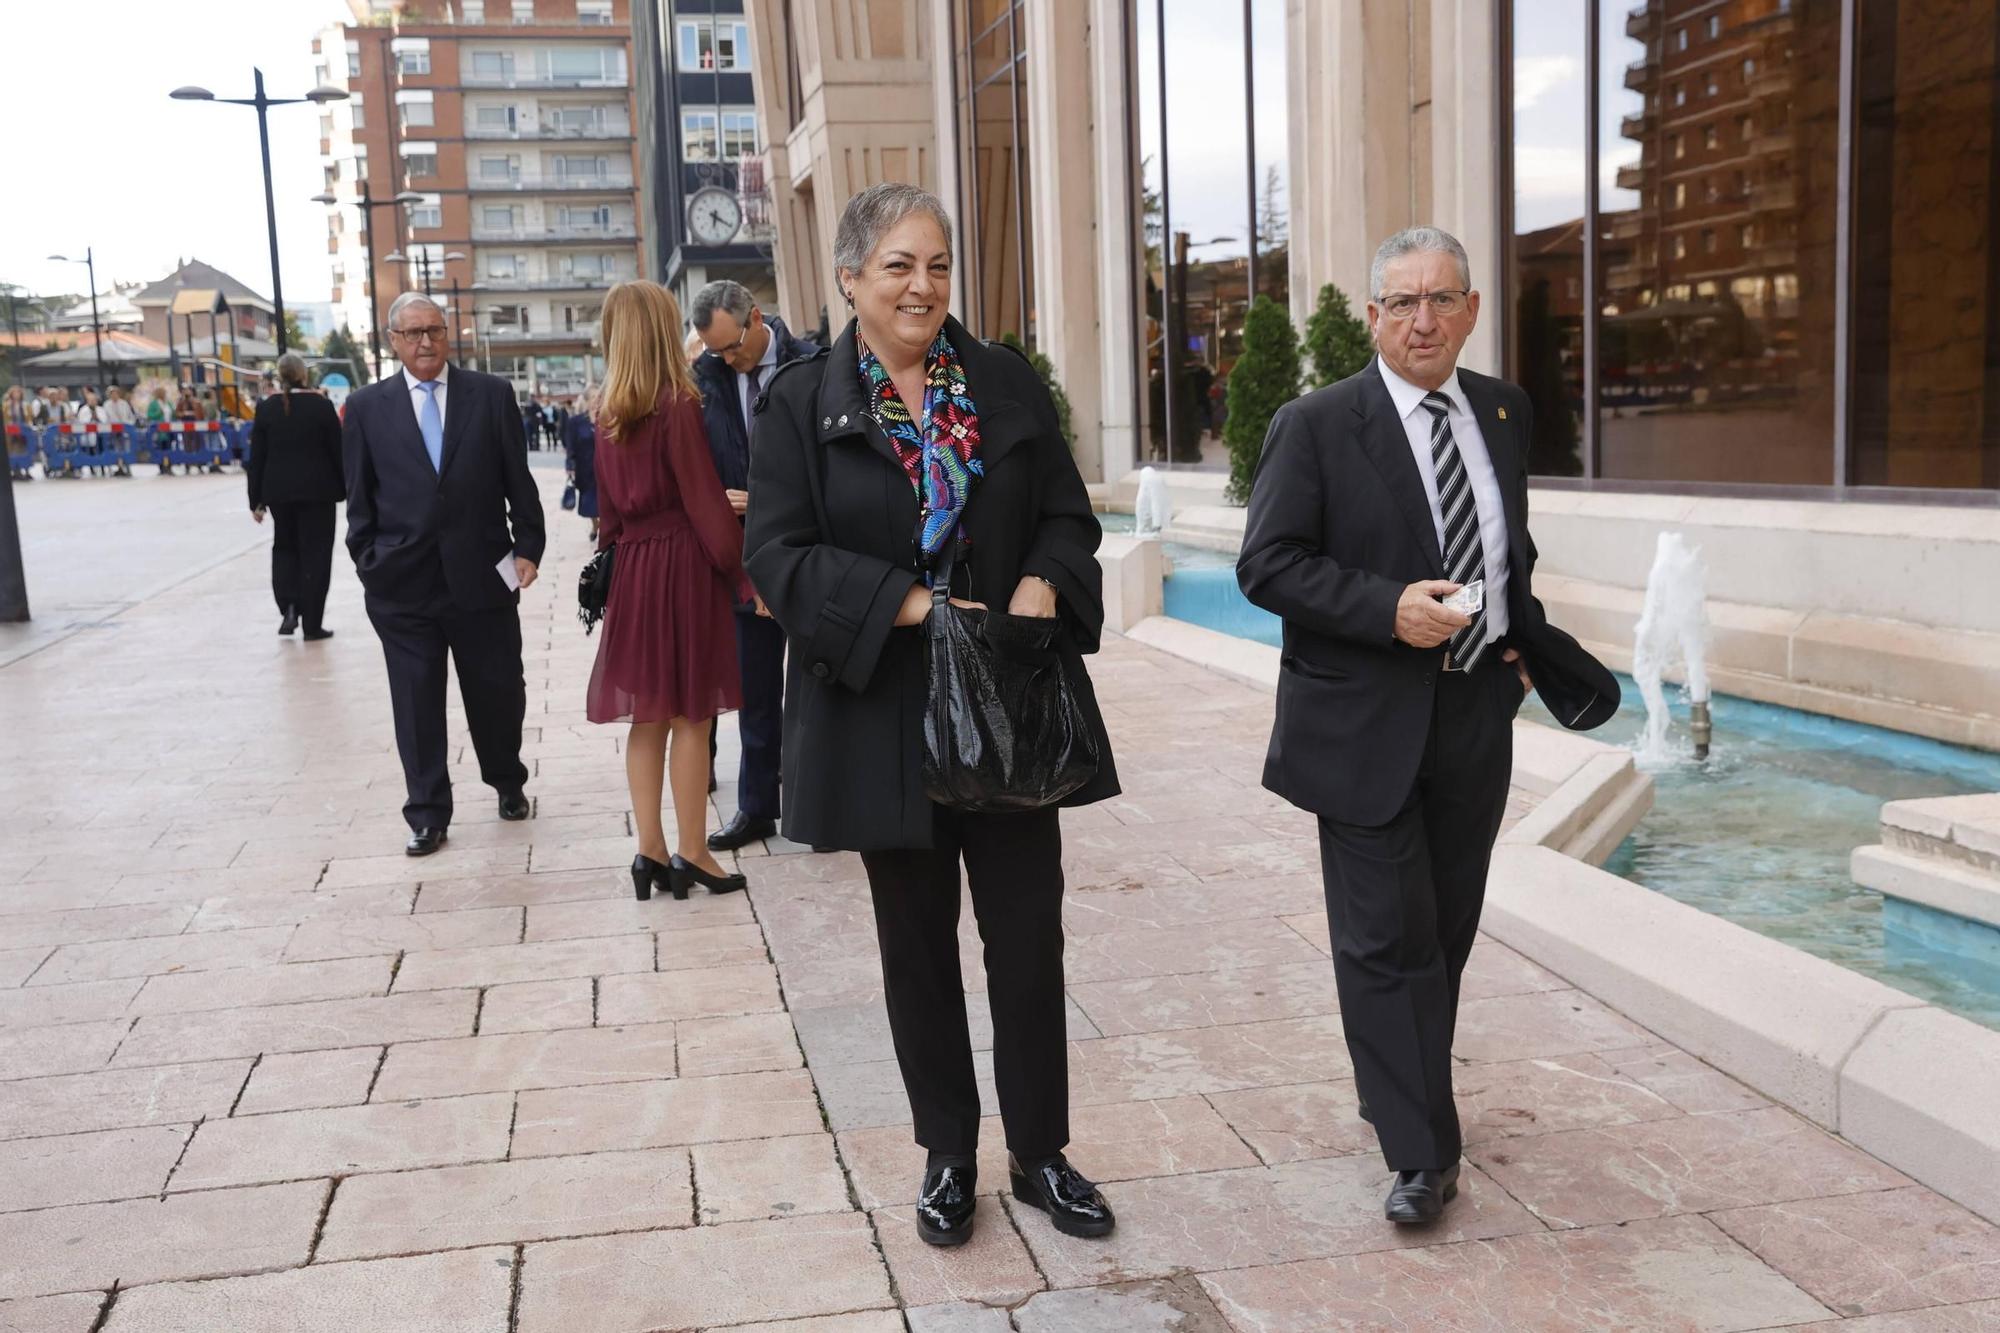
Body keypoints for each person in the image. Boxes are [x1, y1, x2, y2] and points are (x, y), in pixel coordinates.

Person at [745, 182, 1121, 1249]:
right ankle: (947, 1152)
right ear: (850, 278)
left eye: (938, 265)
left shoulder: (1000, 381)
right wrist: (905, 605)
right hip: (881, 711)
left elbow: (1066, 514)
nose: (922, 285)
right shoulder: (799, 402)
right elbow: (775, 556)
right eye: (899, 265)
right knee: (915, 945)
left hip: (1003, 702)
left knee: (1025, 938)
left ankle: (1040, 1149)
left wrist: (1046, 579)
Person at [1237, 226, 1616, 1226]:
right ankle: (1419, 1153)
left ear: (1470, 310)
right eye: (1400, 302)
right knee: (1380, 940)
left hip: (1471, 716)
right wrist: (1383, 608)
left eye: (1440, 299)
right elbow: (1265, 565)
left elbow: (1505, 547)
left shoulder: (1501, 410)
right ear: (1370, 316)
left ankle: (1401, 1087)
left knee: (1440, 933)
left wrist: (1514, 649)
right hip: (1359, 720)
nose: (1421, 320)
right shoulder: (1314, 425)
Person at [341, 292, 545, 857]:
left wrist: (528, 545)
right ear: (393, 342)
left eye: (434, 329)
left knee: (499, 691)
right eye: (413, 333)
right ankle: (428, 812)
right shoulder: (365, 407)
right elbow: (359, 498)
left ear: (447, 333)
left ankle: (507, 780)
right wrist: (370, 563)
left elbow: (518, 480)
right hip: (402, 586)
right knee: (415, 701)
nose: (425, 341)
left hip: (482, 576)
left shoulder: (491, 396)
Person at [584, 281, 749, 902]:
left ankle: (648, 851)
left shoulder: (605, 414)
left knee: (648, 718)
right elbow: (705, 506)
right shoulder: (677, 405)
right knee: (693, 717)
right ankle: (693, 851)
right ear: (662, 330)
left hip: (633, 571)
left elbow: (609, 519)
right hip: (681, 568)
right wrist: (740, 573)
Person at [689, 278, 820, 852]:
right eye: (714, 350)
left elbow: (833, 467)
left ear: (757, 317)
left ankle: (821, 808)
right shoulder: (707, 380)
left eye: (732, 345)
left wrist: (761, 500)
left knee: (819, 690)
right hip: (744, 559)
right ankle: (756, 808)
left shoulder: (815, 365)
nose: (727, 358)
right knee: (756, 692)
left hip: (814, 550)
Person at [249, 352, 345, 642]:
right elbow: (338, 452)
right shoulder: (321, 406)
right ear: (304, 375)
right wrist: (347, 488)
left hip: (278, 493)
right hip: (318, 493)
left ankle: (289, 606)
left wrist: (256, 500)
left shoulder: (267, 408)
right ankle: (312, 623)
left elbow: (257, 458)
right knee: (316, 555)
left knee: (285, 548)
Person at [562, 387, 600, 543]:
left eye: (599, 397)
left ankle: (606, 529)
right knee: (590, 504)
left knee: (606, 503)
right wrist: (570, 467)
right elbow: (570, 447)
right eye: (593, 397)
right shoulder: (576, 422)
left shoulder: (608, 418)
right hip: (585, 470)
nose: (597, 400)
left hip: (606, 470)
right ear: (586, 400)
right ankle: (595, 525)